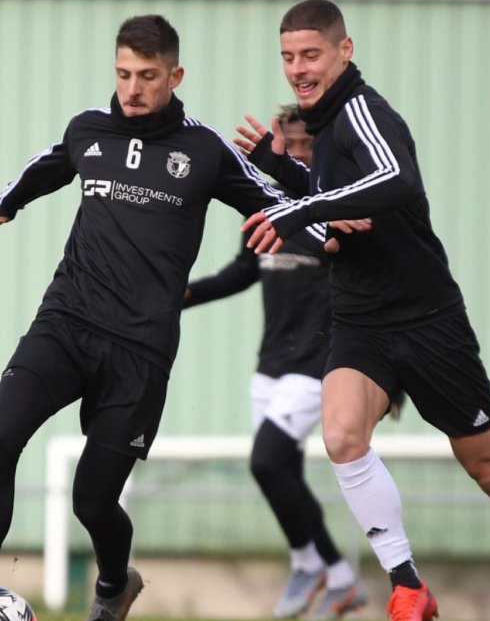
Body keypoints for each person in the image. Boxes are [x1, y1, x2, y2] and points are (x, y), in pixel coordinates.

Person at [0, 14, 326, 621]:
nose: (132, 88)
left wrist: (329, 214)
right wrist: (9, 203)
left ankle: (114, 586)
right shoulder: (89, 130)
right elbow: (51, 164)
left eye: (148, 76)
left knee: (93, 500)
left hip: (139, 350)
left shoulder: (205, 151)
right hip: (65, 323)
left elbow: (293, 205)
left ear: (175, 75)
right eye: (123, 73)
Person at [237, 0, 490, 621]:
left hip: (429, 321)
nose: (297, 69)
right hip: (361, 320)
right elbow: (337, 222)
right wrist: (282, 171)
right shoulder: (322, 132)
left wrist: (299, 207)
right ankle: (407, 585)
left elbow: (398, 181)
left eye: (310, 54)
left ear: (346, 50)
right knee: (341, 436)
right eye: (287, 57)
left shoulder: (364, 110)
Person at [183, 106, 368, 619]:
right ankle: (338, 575)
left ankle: (308, 563)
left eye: (307, 147)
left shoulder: (341, 213)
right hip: (270, 364)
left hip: (318, 365)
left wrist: (390, 377)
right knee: (278, 472)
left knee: (265, 459)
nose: (297, 156)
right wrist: (185, 293)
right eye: (290, 147)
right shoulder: (264, 211)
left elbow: (379, 285)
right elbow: (244, 272)